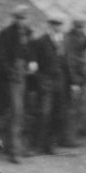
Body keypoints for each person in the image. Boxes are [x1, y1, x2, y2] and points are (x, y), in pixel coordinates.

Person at [0, 5, 32, 163]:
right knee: (16, 112)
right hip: (10, 79)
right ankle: (14, 152)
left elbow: (31, 52)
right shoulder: (5, 34)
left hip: (24, 77)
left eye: (24, 18)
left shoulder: (28, 33)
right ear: (14, 18)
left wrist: (32, 62)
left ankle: (15, 146)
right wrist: (11, 72)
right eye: (19, 18)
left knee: (19, 113)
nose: (22, 21)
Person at [29, 13, 69, 154]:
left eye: (59, 24)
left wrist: (71, 82)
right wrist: (41, 80)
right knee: (44, 113)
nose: (57, 27)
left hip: (59, 82)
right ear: (50, 25)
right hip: (45, 81)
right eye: (54, 24)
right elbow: (33, 65)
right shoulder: (41, 41)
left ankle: (50, 145)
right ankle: (37, 146)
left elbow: (66, 63)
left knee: (57, 114)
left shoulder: (64, 41)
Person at [63, 16, 86, 142]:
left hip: (80, 77)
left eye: (82, 27)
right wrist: (74, 81)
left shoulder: (81, 37)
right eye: (80, 27)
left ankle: (72, 137)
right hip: (73, 79)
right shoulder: (69, 38)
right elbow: (70, 61)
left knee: (77, 109)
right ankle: (68, 138)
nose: (81, 29)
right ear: (75, 26)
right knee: (72, 109)